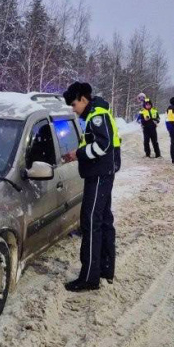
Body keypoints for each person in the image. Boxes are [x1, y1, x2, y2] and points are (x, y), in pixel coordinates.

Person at [62, 82, 121, 292]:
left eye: (74, 104)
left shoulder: (97, 115)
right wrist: (78, 153)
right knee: (103, 221)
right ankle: (105, 268)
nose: (73, 109)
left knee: (90, 223)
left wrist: (78, 154)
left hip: (98, 175)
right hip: (102, 173)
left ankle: (89, 278)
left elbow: (103, 145)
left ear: (83, 99)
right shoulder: (96, 113)